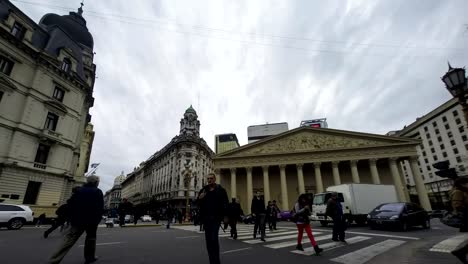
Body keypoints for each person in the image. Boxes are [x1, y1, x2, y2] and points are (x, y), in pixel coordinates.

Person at [49, 175, 104, 264]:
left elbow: (70, 204)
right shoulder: (98, 191)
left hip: (77, 220)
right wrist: (97, 219)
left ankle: (53, 260)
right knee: (91, 239)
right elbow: (100, 207)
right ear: (96, 183)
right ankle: (89, 257)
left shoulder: (79, 190)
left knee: (69, 240)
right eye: (98, 182)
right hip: (91, 221)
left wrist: (72, 217)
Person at [197, 172, 229, 264]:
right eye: (208, 179)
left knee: (214, 238)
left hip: (216, 218)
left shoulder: (221, 190)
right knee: (208, 241)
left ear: (215, 179)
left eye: (211, 178)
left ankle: (216, 261)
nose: (209, 180)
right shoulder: (204, 190)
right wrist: (200, 198)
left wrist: (226, 217)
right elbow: (198, 204)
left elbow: (226, 204)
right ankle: (212, 260)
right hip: (206, 219)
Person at [450, 177, 468, 263]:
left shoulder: (464, 191)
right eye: (466, 183)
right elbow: (457, 205)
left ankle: (461, 252)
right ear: (462, 184)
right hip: (466, 217)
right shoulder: (458, 192)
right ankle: (461, 252)